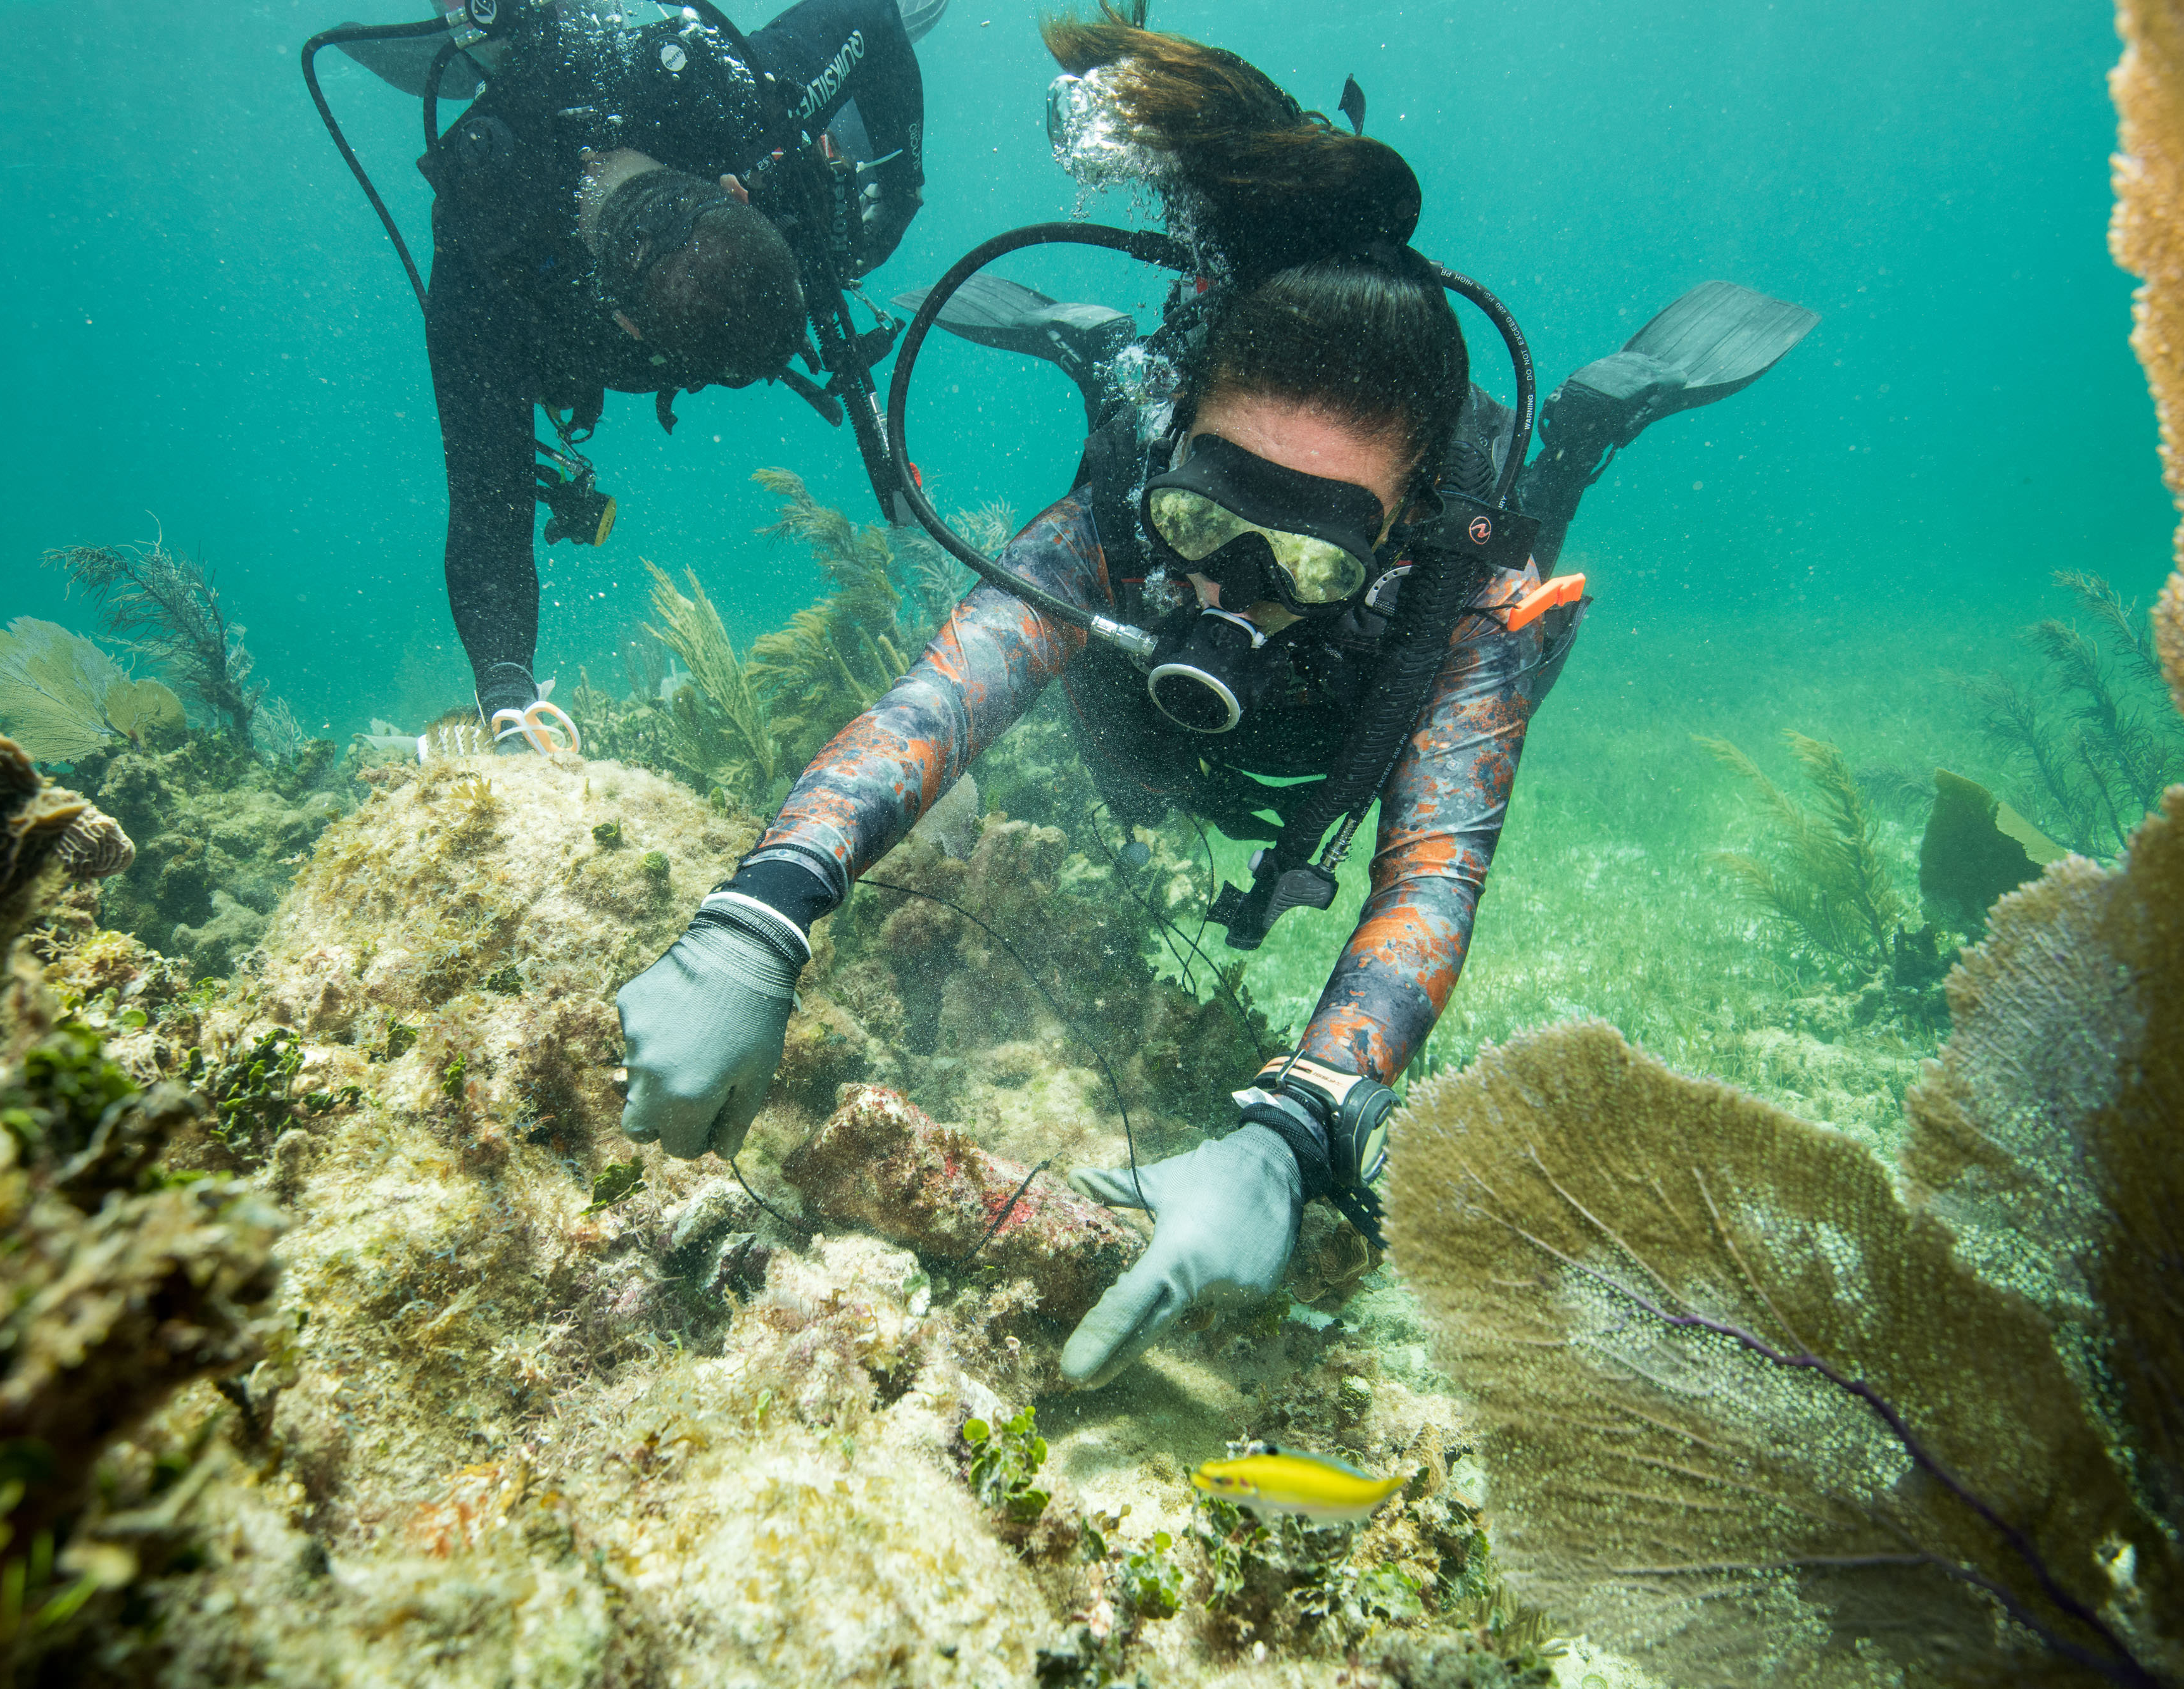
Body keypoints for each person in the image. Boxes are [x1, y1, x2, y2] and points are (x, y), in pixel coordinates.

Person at [614, 3, 1814, 1387]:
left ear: (1396, 525)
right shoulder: (1114, 516)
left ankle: (1588, 429)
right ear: (1175, 451)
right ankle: (1105, 354)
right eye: (1204, 517)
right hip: (1153, 705)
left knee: (1531, 596)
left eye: (1306, 554)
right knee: (1123, 748)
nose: (1236, 589)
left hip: (1389, 672)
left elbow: (1430, 872)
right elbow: (938, 698)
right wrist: (754, 918)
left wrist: (1293, 1130)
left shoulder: (1452, 599)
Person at [336, 0, 944, 735]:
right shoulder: (486, 263)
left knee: (823, 174)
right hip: (526, 161)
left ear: (735, 190)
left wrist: (890, 201)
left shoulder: (726, 97)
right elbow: (487, 508)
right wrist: (506, 697)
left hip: (701, 122)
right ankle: (478, 36)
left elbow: (872, 17)